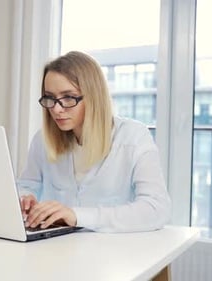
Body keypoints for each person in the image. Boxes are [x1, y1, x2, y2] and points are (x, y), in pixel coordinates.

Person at [17, 51, 171, 233]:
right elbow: (27, 185)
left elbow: (156, 209)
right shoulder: (42, 139)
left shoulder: (133, 136)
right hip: (57, 248)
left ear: (93, 96)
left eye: (68, 97)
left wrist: (76, 216)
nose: (57, 109)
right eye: (50, 98)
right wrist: (25, 198)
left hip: (113, 253)